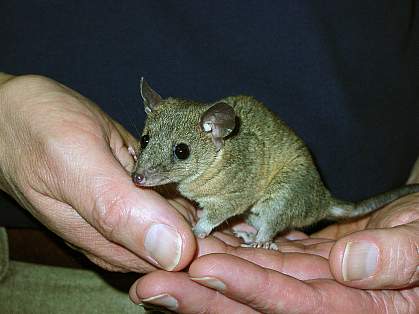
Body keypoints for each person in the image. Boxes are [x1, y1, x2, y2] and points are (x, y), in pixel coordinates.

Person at [0, 1, 418, 313]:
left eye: (179, 154)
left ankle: (267, 231)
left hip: (299, 200)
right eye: (146, 145)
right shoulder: (175, 130)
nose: (145, 171)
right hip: (34, 274)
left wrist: (205, 224)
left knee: (277, 189)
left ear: (215, 137)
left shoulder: (227, 164)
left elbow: (231, 199)